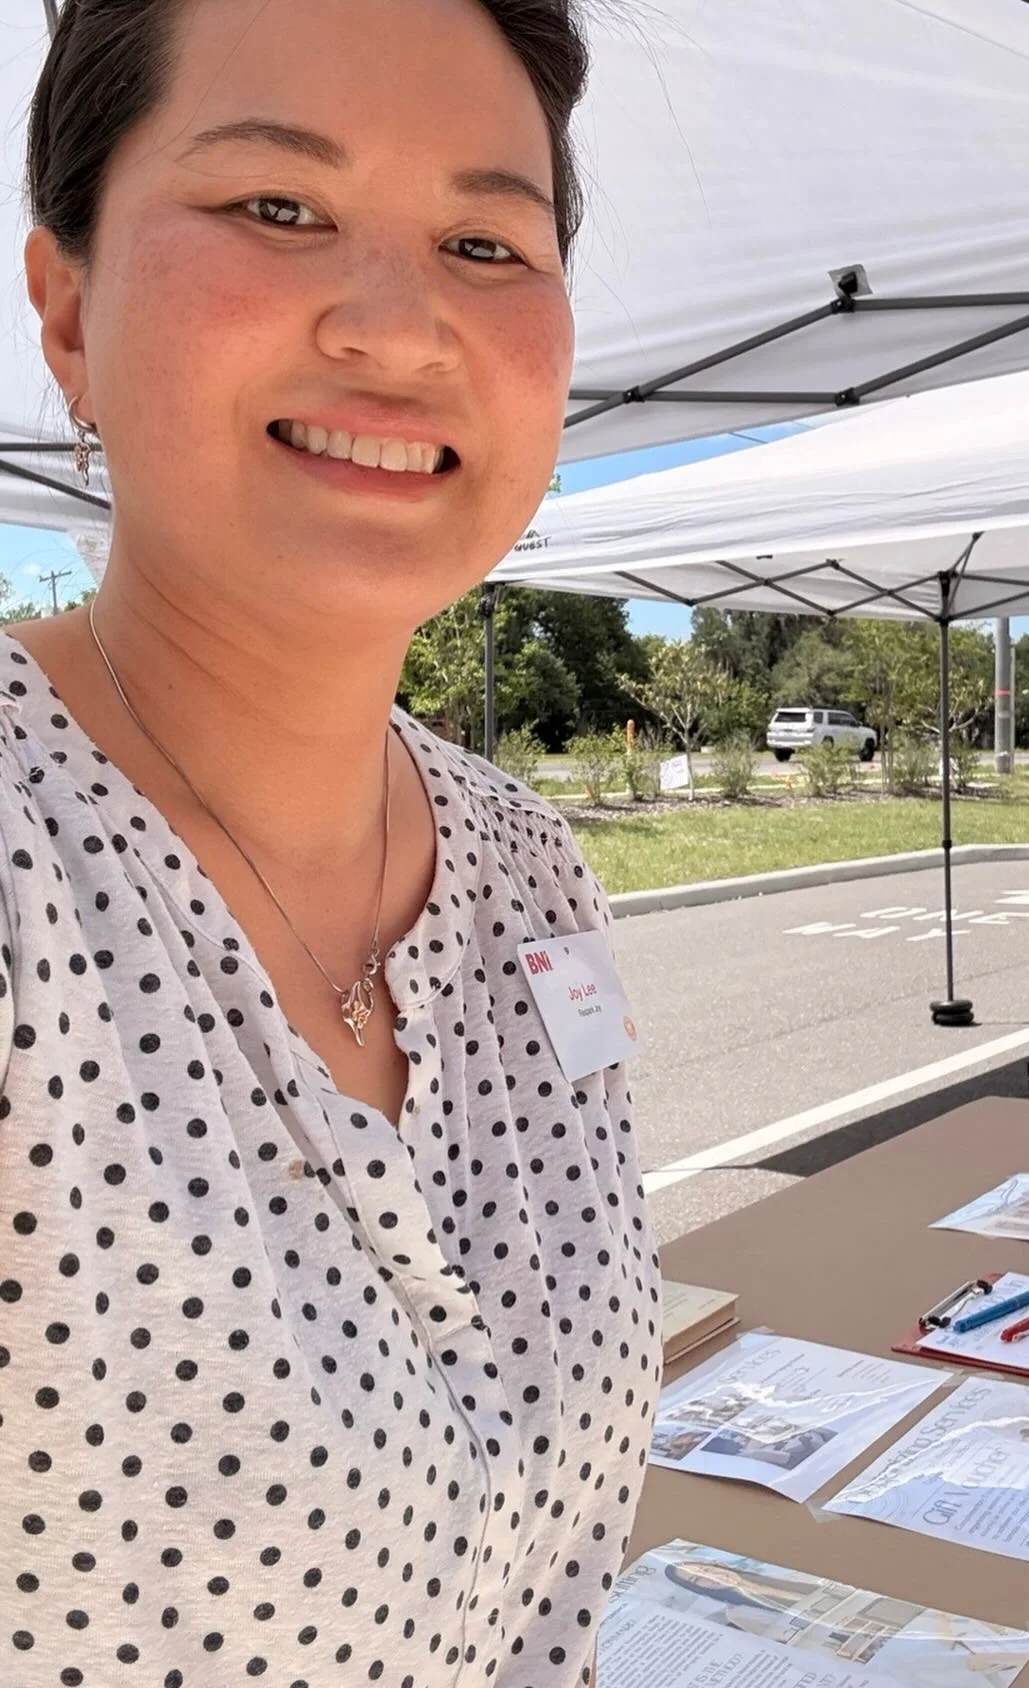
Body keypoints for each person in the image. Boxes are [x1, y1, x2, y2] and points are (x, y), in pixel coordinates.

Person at [3, 3, 660, 1685]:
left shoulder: (526, 869)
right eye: (277, 208)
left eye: (484, 242)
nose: (400, 326)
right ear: (67, 312)